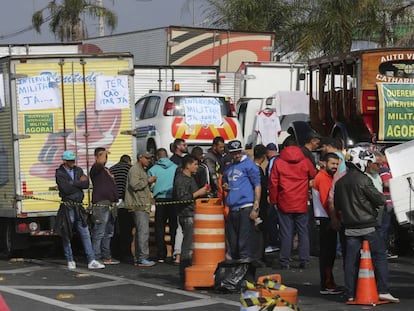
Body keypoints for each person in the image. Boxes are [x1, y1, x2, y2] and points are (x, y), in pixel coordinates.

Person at [334, 147, 399, 303]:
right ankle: (383, 290)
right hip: (368, 225)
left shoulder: (340, 182)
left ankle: (350, 293)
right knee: (380, 256)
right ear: (360, 162)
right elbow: (380, 199)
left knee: (350, 261)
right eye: (367, 161)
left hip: (350, 227)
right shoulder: (364, 180)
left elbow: (338, 206)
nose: (369, 164)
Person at [269, 141, 317, 269]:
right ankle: (304, 260)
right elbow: (313, 174)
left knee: (286, 232)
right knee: (303, 231)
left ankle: (285, 260)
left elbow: (273, 183)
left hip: (284, 201)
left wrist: (274, 201)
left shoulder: (278, 162)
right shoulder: (305, 161)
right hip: (301, 200)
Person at [55, 150, 105, 270]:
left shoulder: (78, 170)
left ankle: (91, 259)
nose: (73, 162)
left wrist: (73, 183)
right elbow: (65, 189)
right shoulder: (60, 173)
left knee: (85, 232)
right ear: (65, 161)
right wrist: (78, 183)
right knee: (67, 232)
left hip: (79, 206)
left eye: (74, 160)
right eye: (71, 160)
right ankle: (70, 259)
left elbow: (86, 184)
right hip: (67, 206)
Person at [222, 139, 261, 261]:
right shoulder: (229, 168)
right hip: (233, 208)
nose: (237, 155)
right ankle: (236, 269)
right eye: (234, 153)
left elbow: (257, 185)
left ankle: (245, 270)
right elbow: (225, 181)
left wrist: (256, 207)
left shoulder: (249, 165)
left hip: (246, 206)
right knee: (233, 243)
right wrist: (225, 186)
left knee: (243, 243)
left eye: (239, 152)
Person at [173, 154, 208, 285]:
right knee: (187, 246)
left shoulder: (190, 178)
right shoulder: (181, 179)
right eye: (194, 164)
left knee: (191, 246)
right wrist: (198, 193)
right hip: (187, 215)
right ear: (187, 165)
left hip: (192, 213)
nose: (196, 167)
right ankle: (184, 274)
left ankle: (189, 272)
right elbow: (182, 198)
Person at [312, 152, 342, 294]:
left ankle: (328, 283)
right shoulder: (323, 178)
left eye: (337, 164)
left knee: (328, 254)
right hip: (326, 219)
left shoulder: (326, 177)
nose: (335, 166)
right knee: (327, 254)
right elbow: (327, 202)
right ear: (324, 163)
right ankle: (327, 284)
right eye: (333, 164)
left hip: (326, 218)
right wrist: (334, 219)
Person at [125, 151, 157, 267]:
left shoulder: (142, 169)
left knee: (140, 232)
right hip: (139, 205)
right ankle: (142, 257)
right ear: (140, 158)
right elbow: (134, 185)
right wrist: (147, 181)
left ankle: (139, 257)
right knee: (143, 232)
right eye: (147, 158)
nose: (149, 160)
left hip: (143, 204)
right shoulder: (135, 170)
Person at [90, 147, 120, 265]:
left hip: (110, 204)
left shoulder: (107, 170)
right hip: (101, 204)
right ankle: (95, 257)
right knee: (99, 232)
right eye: (103, 156)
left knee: (109, 232)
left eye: (106, 156)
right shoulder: (95, 169)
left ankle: (106, 256)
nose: (105, 158)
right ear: (97, 157)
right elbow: (99, 164)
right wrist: (101, 155)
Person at [147, 148, 178, 263]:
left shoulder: (153, 169)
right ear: (167, 156)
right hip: (173, 200)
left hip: (160, 200)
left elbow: (150, 185)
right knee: (173, 227)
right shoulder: (175, 167)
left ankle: (161, 254)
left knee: (159, 227)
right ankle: (176, 252)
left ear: (157, 157)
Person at [109, 154, 133, 262]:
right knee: (126, 230)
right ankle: (125, 253)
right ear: (128, 161)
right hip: (125, 202)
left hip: (113, 201)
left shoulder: (112, 169)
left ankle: (115, 252)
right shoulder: (129, 169)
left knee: (114, 229)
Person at [253, 144, 268, 260]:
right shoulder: (258, 170)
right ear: (263, 156)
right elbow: (262, 187)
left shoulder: (249, 167)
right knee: (260, 230)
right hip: (260, 205)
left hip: (250, 203)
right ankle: (259, 256)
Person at [264, 143, 280, 253]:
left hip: (275, 195)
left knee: (272, 219)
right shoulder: (282, 159)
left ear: (269, 151)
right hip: (284, 194)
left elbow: (271, 179)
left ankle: (275, 242)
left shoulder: (272, 162)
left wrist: (270, 194)